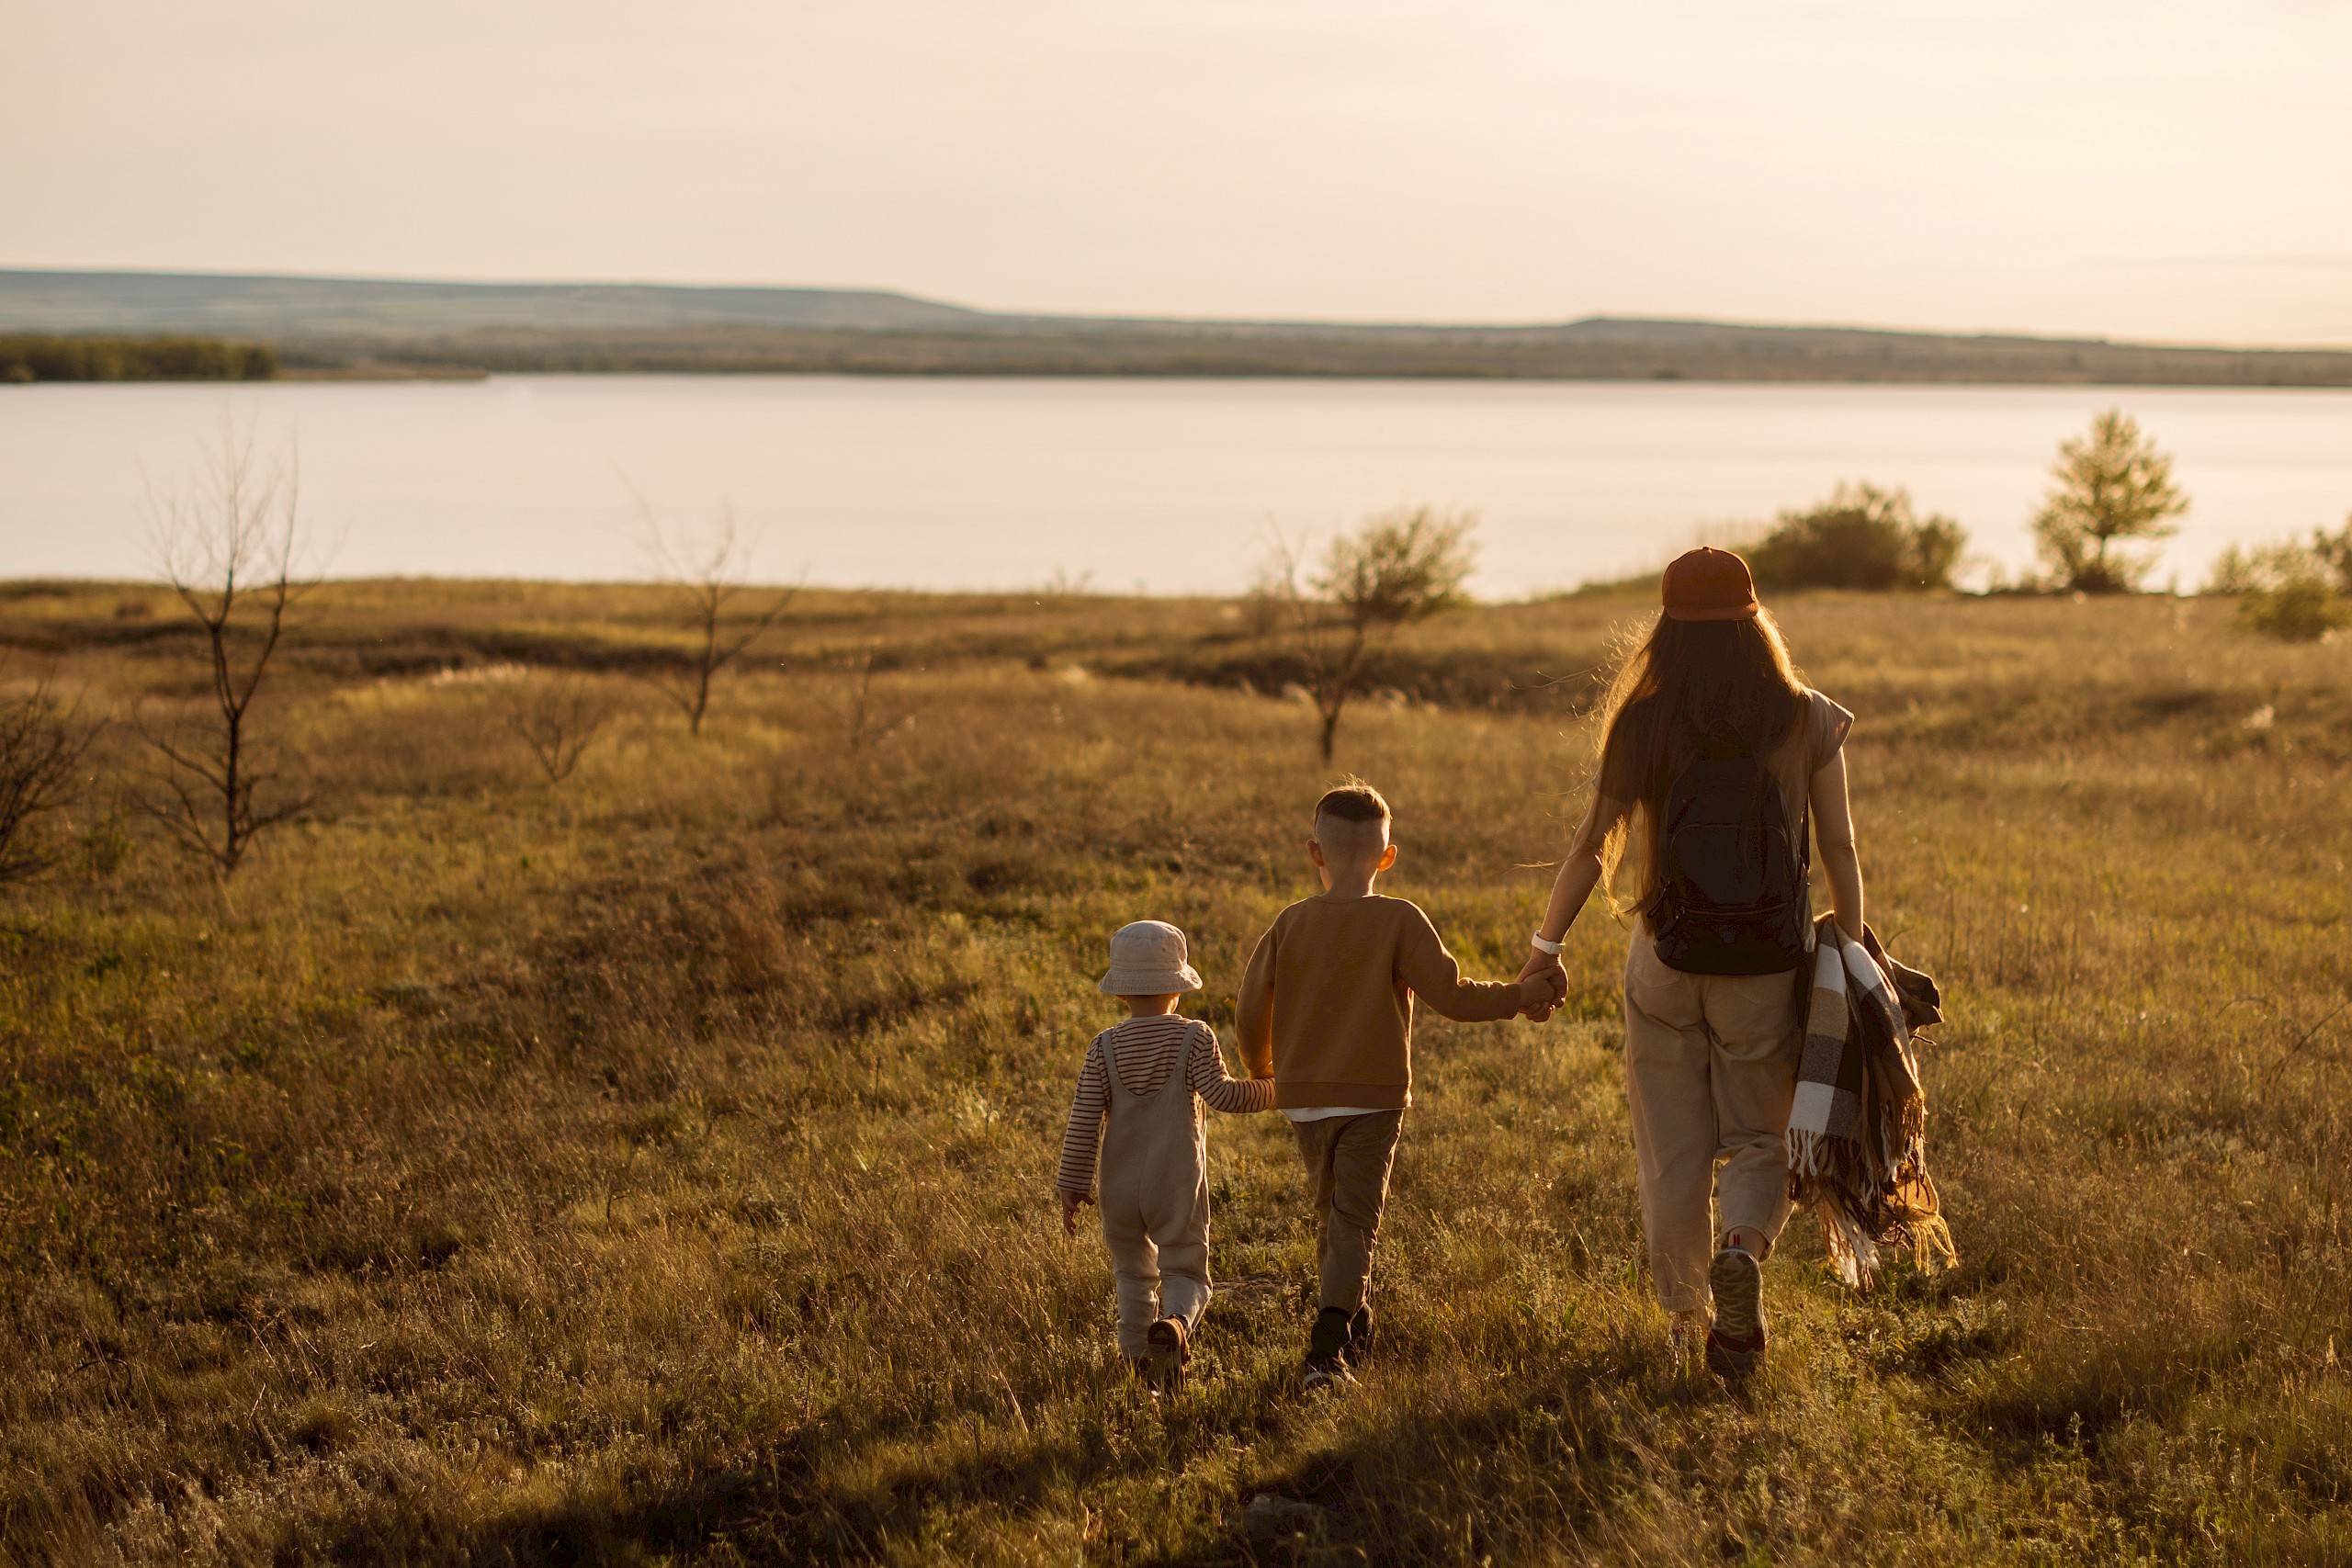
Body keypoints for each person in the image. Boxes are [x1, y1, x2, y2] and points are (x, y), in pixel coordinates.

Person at [1517, 547, 1863, 1382]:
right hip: (1767, 969)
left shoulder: (1644, 721)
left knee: (1671, 1149)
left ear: (1665, 630)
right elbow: (1843, 849)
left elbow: (1591, 847)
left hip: (1665, 961)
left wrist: (1545, 949)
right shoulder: (1807, 716)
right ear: (1756, 622)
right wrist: (1848, 952)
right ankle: (1741, 1248)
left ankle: (1684, 1319)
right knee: (1759, 1134)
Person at [1238, 781, 1566, 1390]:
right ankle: (1326, 1350)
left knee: (1331, 1215)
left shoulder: (1290, 923)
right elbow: (1452, 995)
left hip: (1304, 1100)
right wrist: (1521, 996)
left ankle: (1353, 1324)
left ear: (1316, 852)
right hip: (1375, 1097)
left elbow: (1250, 1005)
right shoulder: (1398, 918)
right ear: (1388, 856)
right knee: (1353, 1219)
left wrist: (1264, 1072)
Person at [1056, 919, 1276, 1390]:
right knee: (1185, 1268)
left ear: (1121, 994)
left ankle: (1137, 1364)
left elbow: (1083, 1121)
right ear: (1177, 989)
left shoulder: (1103, 1047)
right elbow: (1225, 1096)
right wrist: (1274, 1090)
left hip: (1118, 1185)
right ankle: (1175, 1326)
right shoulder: (1194, 1036)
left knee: (1132, 1276)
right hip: (1174, 1180)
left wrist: (1073, 1185)